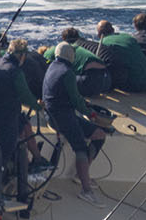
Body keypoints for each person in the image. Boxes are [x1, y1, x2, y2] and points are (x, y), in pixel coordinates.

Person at [42, 43, 105, 204]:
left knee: (99, 135)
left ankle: (82, 175)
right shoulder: (68, 72)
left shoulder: (52, 67)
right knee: (81, 148)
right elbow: (76, 101)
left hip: (53, 115)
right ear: (71, 56)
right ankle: (86, 190)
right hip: (62, 118)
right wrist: (91, 114)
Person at [0, 34, 41, 170]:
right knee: (6, 149)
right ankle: (0, 178)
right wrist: (38, 106)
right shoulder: (15, 71)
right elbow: (25, 96)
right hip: (7, 119)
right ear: (21, 55)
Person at [44, 27, 112, 98]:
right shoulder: (80, 48)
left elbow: (45, 62)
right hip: (107, 80)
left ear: (63, 39)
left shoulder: (57, 49)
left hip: (89, 81)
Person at [94, 20, 146, 93]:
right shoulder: (128, 37)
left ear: (99, 34)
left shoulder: (104, 43)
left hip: (135, 84)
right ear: (113, 30)